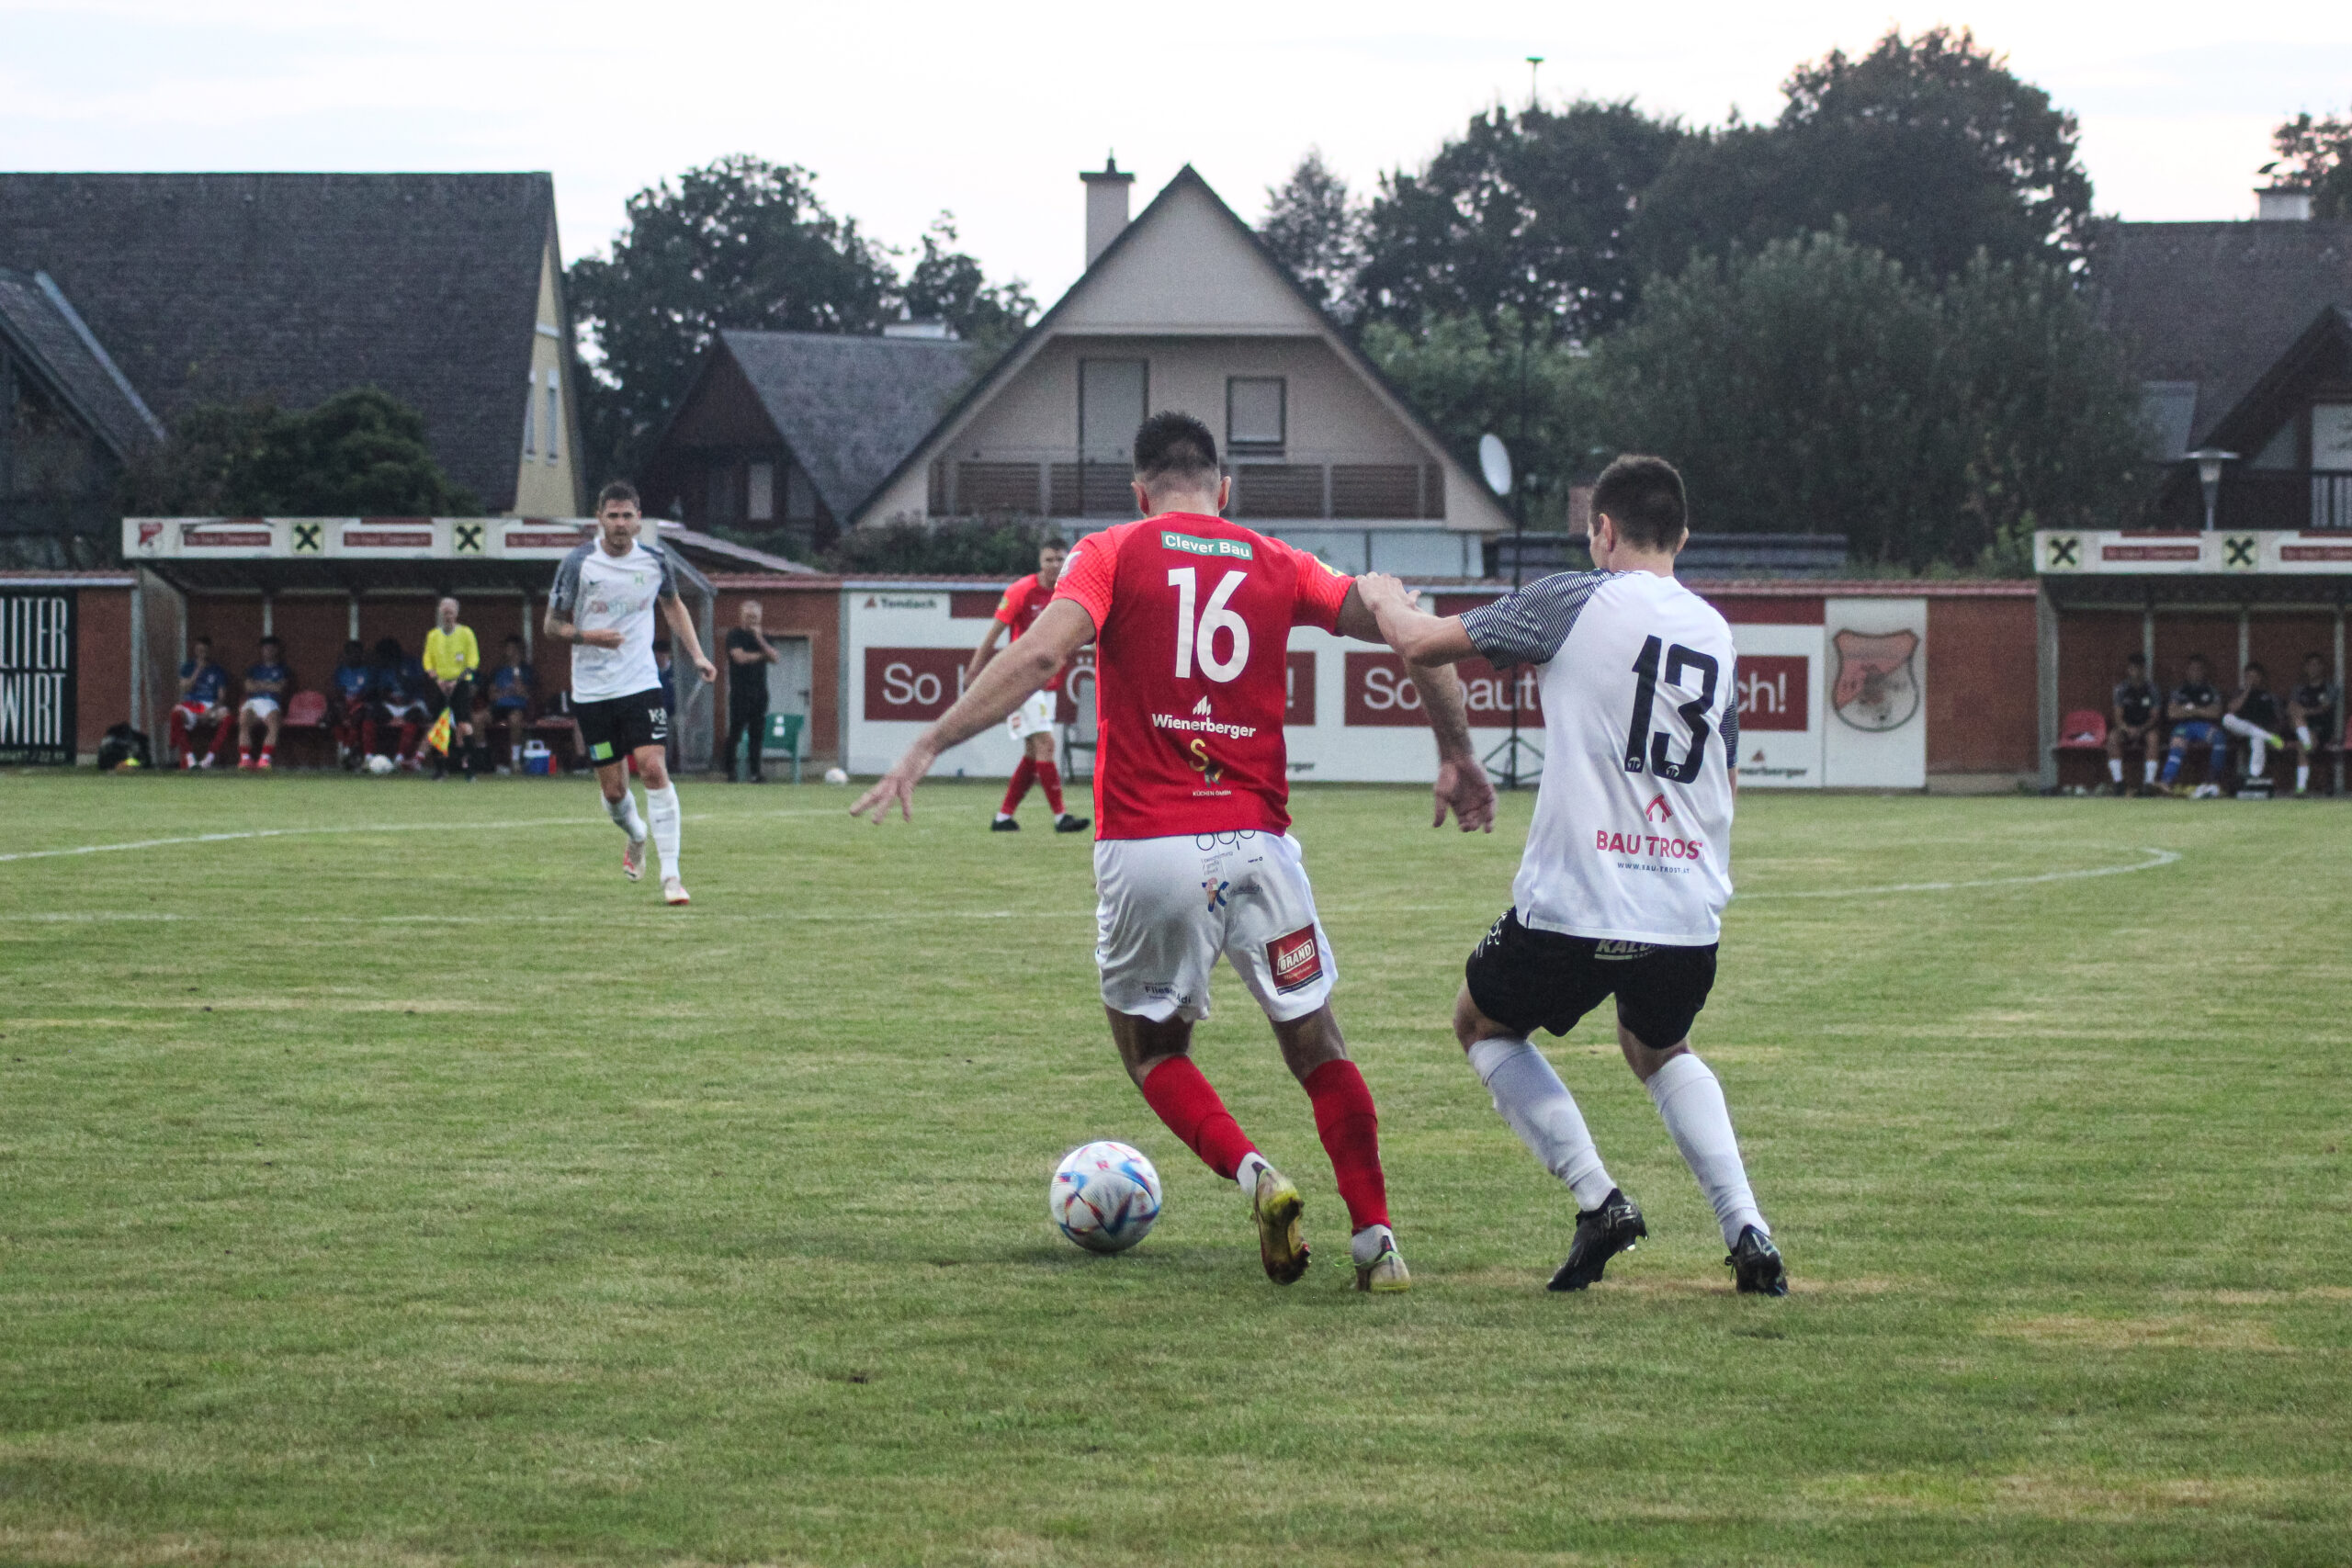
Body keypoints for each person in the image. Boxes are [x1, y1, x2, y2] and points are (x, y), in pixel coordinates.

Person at [854, 411, 1496, 1292]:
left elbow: (1039, 656)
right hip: (1261, 847)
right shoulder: (1280, 561)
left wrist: (929, 742)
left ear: (1139, 490)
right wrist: (1456, 750)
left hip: (1150, 847)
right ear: (1224, 489)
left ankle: (1256, 1173)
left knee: (1154, 1050)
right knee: (1318, 1043)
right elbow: (1412, 631)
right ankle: (1377, 1240)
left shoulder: (1112, 550)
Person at [1353, 453, 1787, 1297]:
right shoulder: (1714, 630)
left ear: (1604, 530)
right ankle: (1748, 1229)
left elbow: (1420, 643)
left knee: (1481, 1023)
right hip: (1685, 908)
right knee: (1658, 1046)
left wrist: (1382, 595)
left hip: (1578, 900)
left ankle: (1600, 1199)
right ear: (1683, 537)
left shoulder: (1573, 598)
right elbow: (1725, 779)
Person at [545, 480, 717, 906]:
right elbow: (551, 625)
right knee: (614, 792)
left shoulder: (656, 561)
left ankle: (672, 877)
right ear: (599, 519)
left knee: (653, 768)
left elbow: (673, 605)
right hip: (593, 690)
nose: (620, 524)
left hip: (640, 683)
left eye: (627, 516)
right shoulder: (579, 563)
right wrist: (589, 637)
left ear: (639, 520)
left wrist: (697, 655)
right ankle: (637, 834)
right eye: (613, 516)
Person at [968, 540, 1088, 833]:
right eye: (1049, 560)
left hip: (1047, 683)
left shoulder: (1068, 592)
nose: (1055, 565)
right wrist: (974, 671)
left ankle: (1003, 817)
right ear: (1040, 562)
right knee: (1046, 744)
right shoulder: (1021, 590)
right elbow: (993, 634)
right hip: (1021, 681)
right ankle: (1061, 818)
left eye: (1060, 559)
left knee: (1034, 754)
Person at [423, 596, 481, 781]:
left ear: (456, 614)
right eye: (445, 612)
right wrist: (438, 679)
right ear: (440, 613)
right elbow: (428, 661)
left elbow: (473, 661)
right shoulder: (433, 635)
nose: (448, 616)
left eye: (451, 613)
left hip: (460, 684)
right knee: (438, 725)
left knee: (464, 725)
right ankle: (440, 768)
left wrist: (457, 680)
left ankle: (469, 768)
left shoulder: (466, 633)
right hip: (440, 684)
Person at [723, 600, 780, 783]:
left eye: (755, 617)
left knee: (757, 734)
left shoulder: (764, 637)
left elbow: (775, 657)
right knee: (736, 732)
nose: (752, 620)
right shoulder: (734, 635)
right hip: (739, 693)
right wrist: (762, 656)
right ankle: (729, 771)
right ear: (741, 616)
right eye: (749, 617)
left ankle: (755, 773)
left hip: (759, 693)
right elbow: (739, 658)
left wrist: (760, 640)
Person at [2159, 654, 2229, 798]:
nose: (2196, 672)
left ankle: (2213, 780)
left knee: (2219, 737)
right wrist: (2201, 710)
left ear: (2204, 671)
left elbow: (2215, 712)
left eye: (2199, 669)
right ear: (2187, 671)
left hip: (2204, 726)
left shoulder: (2210, 690)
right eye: (2193, 669)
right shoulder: (2180, 690)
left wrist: (2191, 710)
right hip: (2184, 726)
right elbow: (2172, 713)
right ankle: (2166, 781)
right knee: (2177, 742)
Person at [2222, 661, 2286, 795]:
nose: (2252, 680)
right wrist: (2247, 691)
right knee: (2227, 718)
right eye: (2249, 676)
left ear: (2261, 677)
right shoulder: (2239, 692)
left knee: (2257, 737)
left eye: (2255, 676)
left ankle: (2254, 777)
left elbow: (2278, 719)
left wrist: (2269, 729)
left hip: (2262, 729)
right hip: (2240, 731)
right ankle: (2268, 737)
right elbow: (2232, 708)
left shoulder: (2269, 695)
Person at [169, 637, 232, 768]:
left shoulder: (217, 670)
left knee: (227, 717)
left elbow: (221, 697)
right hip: (192, 704)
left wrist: (211, 710)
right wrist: (197, 671)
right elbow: (185, 688)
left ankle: (209, 758)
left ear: (209, 651)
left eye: (204, 650)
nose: (202, 653)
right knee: (176, 714)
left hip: (210, 705)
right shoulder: (188, 667)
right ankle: (190, 758)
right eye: (199, 650)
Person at [231, 636, 291, 771]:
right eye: (265, 648)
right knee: (244, 721)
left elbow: (279, 688)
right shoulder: (254, 669)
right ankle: (245, 759)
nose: (268, 651)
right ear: (261, 650)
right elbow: (248, 687)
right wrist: (269, 684)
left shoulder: (283, 669)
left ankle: (265, 759)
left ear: (276, 650)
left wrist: (259, 685)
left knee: (274, 723)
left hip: (271, 702)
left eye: (271, 648)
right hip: (253, 701)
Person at [369, 637, 430, 769]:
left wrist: (407, 692)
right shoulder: (384, 668)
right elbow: (382, 690)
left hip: (413, 702)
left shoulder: (412, 663)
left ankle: (400, 758)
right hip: (393, 704)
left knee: (414, 716)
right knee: (372, 714)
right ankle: (367, 757)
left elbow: (423, 683)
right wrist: (392, 699)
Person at [2106, 652, 2161, 795]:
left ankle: (2148, 784)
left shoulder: (2152, 689)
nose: (2135, 671)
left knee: (2153, 738)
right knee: (2113, 738)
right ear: (2128, 669)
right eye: (2132, 668)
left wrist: (2141, 729)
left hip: (2146, 727)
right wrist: (2127, 729)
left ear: (2144, 669)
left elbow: (2154, 716)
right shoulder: (2121, 689)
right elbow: (2118, 717)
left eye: (2139, 668)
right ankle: (2118, 783)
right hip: (2127, 727)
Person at [2287, 652, 2340, 796]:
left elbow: (2325, 708)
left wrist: (2305, 711)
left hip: (2321, 728)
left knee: (2302, 745)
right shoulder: (2299, 689)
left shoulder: (2329, 688)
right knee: (2296, 719)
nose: (2313, 668)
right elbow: (2291, 708)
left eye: (2317, 664)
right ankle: (2307, 741)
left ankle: (2301, 788)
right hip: (2300, 728)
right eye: (2310, 665)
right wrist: (2301, 712)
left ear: (2322, 667)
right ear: (2305, 668)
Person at [486, 636, 537, 772]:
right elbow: (492, 695)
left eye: (514, 649)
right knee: (477, 718)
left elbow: (523, 692)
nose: (511, 652)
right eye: (508, 648)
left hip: (517, 707)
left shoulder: (526, 670)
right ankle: (482, 757)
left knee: (515, 719)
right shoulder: (498, 670)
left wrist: (516, 672)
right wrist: (501, 694)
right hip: (498, 707)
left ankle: (515, 760)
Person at [329, 639, 376, 768]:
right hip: (345, 704)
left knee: (359, 715)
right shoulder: (340, 671)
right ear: (346, 654)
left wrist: (355, 703)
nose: (353, 656)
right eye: (350, 653)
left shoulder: (367, 671)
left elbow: (369, 692)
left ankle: (348, 750)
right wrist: (343, 705)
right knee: (332, 715)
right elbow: (336, 691)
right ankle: (345, 747)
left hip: (361, 704)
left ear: (361, 654)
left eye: (356, 653)